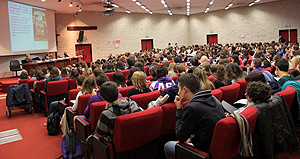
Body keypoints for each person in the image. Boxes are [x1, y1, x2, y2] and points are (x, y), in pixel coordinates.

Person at [164, 74, 225, 159]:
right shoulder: (212, 98)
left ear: (185, 89)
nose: (178, 92)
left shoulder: (192, 107)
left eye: (179, 89)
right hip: (215, 145)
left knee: (167, 146)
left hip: (203, 150)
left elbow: (180, 136)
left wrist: (179, 109)